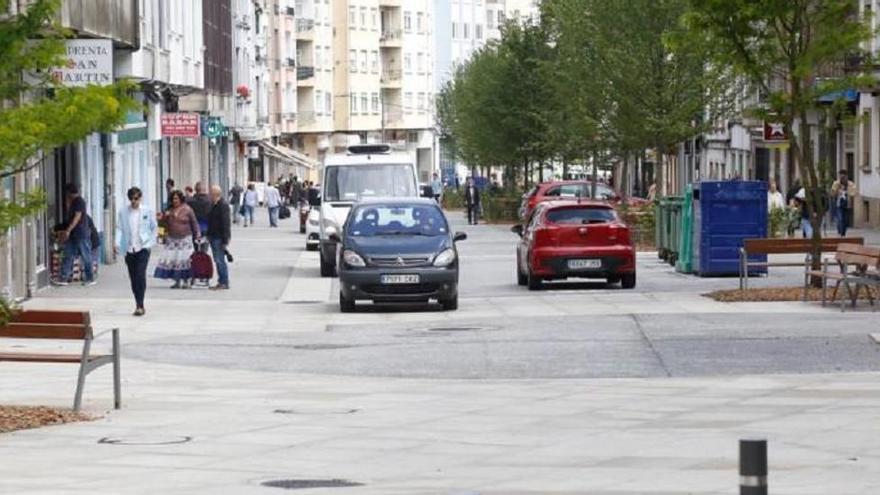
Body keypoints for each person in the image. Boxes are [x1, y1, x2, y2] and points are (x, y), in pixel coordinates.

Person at [115, 187, 158, 316]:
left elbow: (154, 227)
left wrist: (150, 242)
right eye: (131, 199)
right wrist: (117, 242)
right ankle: (137, 301)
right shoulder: (123, 212)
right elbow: (120, 228)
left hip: (143, 247)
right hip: (129, 248)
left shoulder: (147, 211)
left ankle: (140, 305)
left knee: (140, 274)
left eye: (136, 198)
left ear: (140, 198)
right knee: (133, 278)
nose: (134, 201)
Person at [155, 190, 200, 288]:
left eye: (176, 198)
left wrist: (197, 234)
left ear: (180, 199)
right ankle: (177, 281)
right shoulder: (169, 210)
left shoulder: (187, 209)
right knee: (175, 261)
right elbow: (162, 224)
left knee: (185, 260)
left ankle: (186, 281)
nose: (175, 201)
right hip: (172, 239)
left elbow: (194, 222)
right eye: (173, 199)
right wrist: (161, 219)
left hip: (185, 239)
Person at [56, 184, 95, 286]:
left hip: (81, 233)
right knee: (68, 254)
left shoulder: (79, 201)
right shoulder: (73, 202)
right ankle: (64, 277)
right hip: (73, 234)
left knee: (86, 256)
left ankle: (90, 278)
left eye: (66, 193)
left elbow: (77, 217)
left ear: (69, 193)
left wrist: (68, 230)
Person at [207, 185, 232, 290]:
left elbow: (225, 223)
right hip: (213, 236)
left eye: (210, 193)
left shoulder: (222, 205)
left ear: (215, 194)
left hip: (219, 237)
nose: (209, 195)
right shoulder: (214, 205)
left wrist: (225, 239)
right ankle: (221, 280)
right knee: (217, 259)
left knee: (219, 260)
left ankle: (224, 281)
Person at [831, 169, 856, 237]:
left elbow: (853, 194)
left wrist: (848, 193)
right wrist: (837, 190)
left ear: (846, 177)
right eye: (841, 177)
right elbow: (832, 194)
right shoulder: (836, 183)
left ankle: (843, 232)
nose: (842, 179)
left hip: (847, 204)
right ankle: (840, 232)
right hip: (838, 204)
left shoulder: (850, 184)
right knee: (840, 218)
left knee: (845, 220)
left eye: (844, 177)